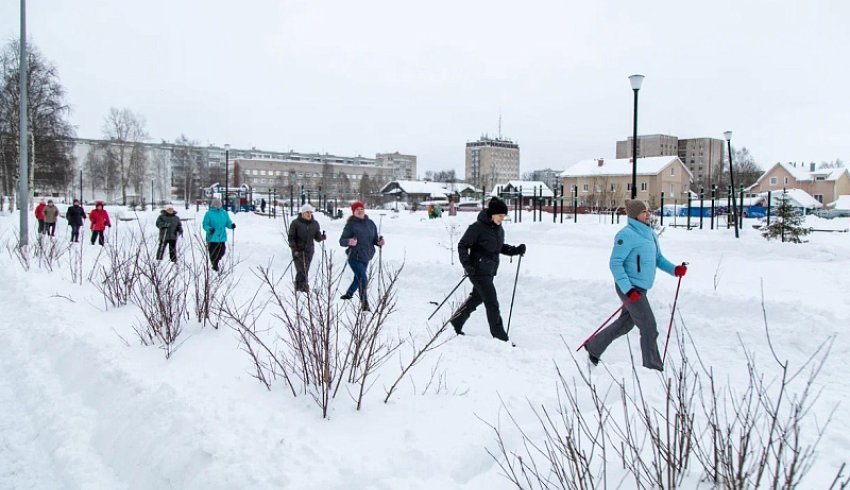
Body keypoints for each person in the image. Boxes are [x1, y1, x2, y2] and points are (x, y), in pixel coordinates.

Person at [585, 199, 687, 371]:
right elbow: (615, 264)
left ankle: (594, 347)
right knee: (649, 328)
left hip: (640, 289)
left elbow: (658, 259)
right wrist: (629, 289)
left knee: (625, 324)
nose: (648, 214)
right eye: (643, 211)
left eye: (648, 211)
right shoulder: (626, 235)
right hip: (629, 288)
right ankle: (653, 368)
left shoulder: (650, 234)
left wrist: (675, 270)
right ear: (634, 215)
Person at [449, 198, 525, 342]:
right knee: (492, 302)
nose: (502, 219)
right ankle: (500, 337)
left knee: (476, 299)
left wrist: (515, 250)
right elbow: (463, 245)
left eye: (504, 216)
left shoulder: (498, 229)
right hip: (477, 270)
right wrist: (467, 265)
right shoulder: (477, 227)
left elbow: (498, 247)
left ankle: (456, 322)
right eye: (500, 216)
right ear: (492, 214)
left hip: (489, 271)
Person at [338, 201, 384, 311]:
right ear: (353, 212)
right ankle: (365, 304)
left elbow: (374, 239)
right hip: (354, 256)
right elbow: (341, 241)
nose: (360, 211)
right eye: (357, 209)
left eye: (361, 209)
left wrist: (379, 242)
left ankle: (349, 293)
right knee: (363, 278)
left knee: (358, 277)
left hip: (366, 255)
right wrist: (349, 241)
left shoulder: (370, 223)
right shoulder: (351, 225)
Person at [288, 203, 326, 292]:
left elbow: (317, 237)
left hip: (309, 250)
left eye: (310, 212)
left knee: (305, 269)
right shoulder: (295, 223)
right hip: (298, 250)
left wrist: (322, 237)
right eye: (307, 212)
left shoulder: (315, 223)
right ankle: (302, 287)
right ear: (302, 213)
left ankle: (299, 285)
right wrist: (294, 249)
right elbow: (291, 237)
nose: (309, 214)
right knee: (301, 269)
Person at [202, 197, 235, 271]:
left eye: (219, 204)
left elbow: (228, 222)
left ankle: (216, 262)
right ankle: (214, 265)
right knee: (213, 253)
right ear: (213, 205)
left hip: (221, 237)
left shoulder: (224, 213)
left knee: (222, 251)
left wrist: (231, 225)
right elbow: (205, 224)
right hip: (212, 237)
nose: (218, 205)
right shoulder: (209, 214)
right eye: (216, 204)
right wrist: (209, 229)